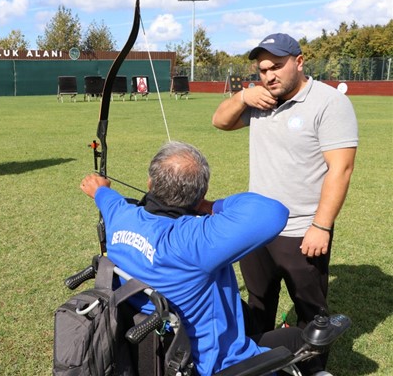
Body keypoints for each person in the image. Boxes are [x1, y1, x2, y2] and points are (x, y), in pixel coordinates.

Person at [80, 141, 325, 376]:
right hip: (213, 365)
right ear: (201, 193)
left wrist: (100, 189)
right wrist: (210, 206)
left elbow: (106, 198)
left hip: (160, 352)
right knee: (296, 338)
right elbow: (274, 212)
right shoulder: (194, 239)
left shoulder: (120, 217)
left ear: (150, 183)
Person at [211, 33, 358, 340]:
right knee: (258, 302)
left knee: (311, 312)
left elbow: (341, 169)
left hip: (302, 229)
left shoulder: (329, 103)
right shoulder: (261, 98)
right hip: (257, 227)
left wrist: (321, 225)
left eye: (276, 66)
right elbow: (220, 122)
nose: (269, 76)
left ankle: (313, 369)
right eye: (263, 70)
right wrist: (241, 97)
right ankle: (258, 362)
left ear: (299, 62)